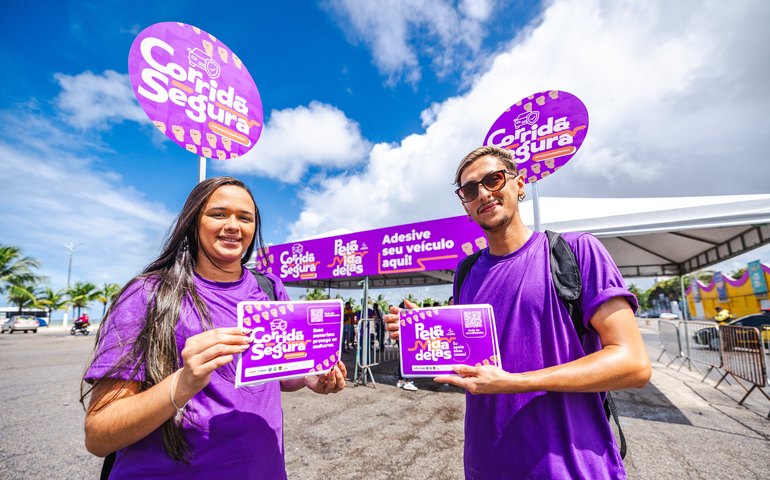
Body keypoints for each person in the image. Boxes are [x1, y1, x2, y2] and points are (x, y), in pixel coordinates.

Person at [385, 146, 651, 479]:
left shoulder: (576, 250)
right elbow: (476, 355)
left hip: (572, 467)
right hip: (488, 465)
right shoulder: (466, 273)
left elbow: (633, 364)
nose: (483, 193)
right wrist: (424, 332)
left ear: (519, 184)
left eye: (494, 179)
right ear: (466, 206)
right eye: (470, 190)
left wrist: (515, 383)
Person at [81, 177, 347, 479]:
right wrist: (183, 383)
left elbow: (280, 375)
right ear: (192, 221)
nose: (234, 225)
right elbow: (100, 435)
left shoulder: (270, 288)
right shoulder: (147, 294)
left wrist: (310, 377)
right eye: (219, 214)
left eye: (245, 218)